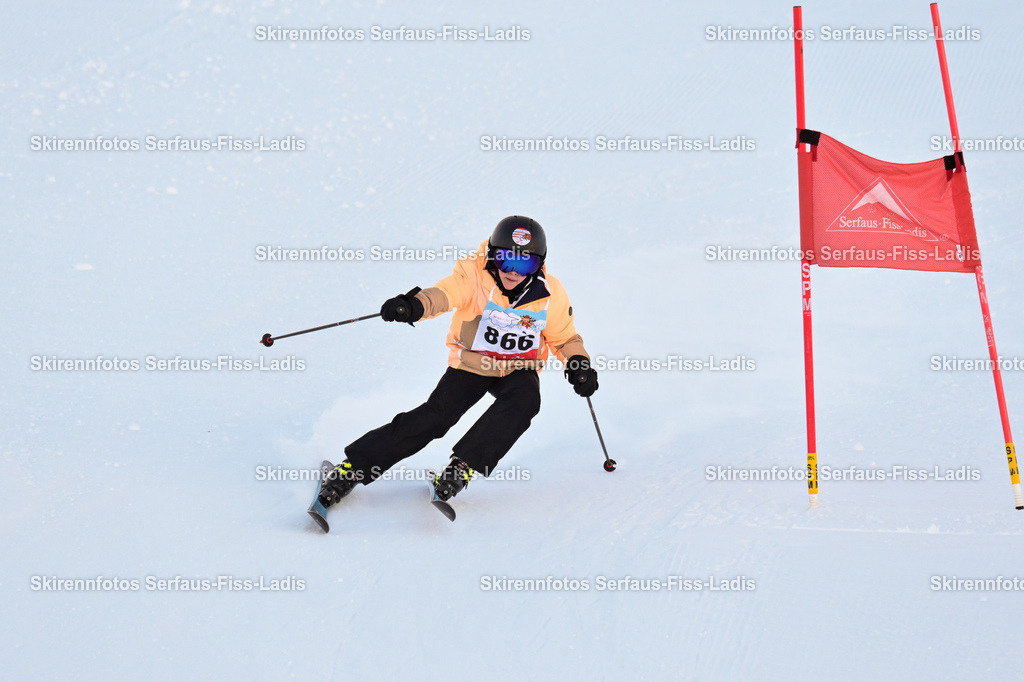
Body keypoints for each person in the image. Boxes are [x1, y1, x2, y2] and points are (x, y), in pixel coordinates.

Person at [316, 215, 599, 509]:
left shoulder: (550, 294)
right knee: (436, 417)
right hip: (473, 364)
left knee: (526, 400)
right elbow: (443, 295)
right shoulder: (474, 277)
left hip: (518, 367)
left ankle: (461, 467)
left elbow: (564, 338)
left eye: (524, 264)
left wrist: (578, 364)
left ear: (539, 264)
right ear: (492, 255)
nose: (513, 272)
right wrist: (414, 306)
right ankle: (352, 469)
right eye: (505, 260)